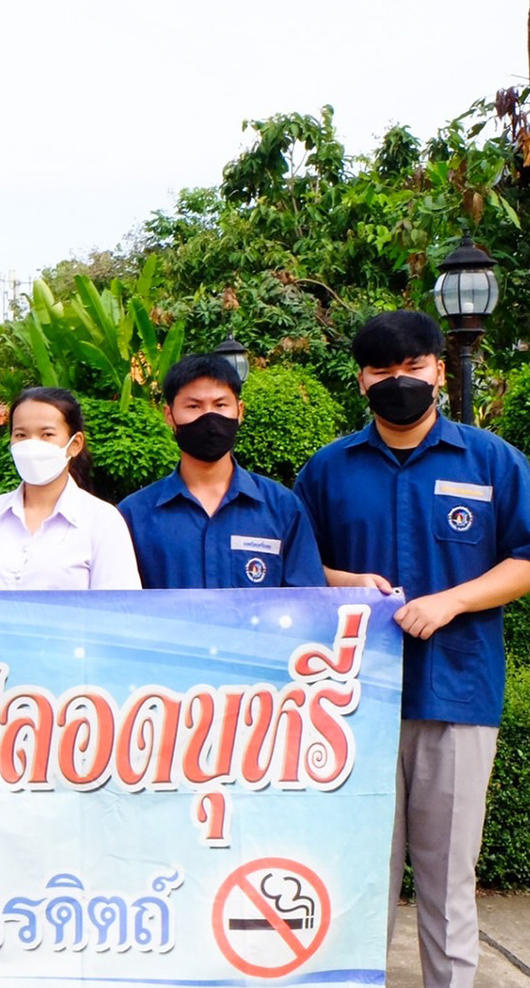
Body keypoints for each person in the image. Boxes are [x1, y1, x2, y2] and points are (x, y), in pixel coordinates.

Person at [294, 310, 530, 988]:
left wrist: (453, 599)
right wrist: (346, 581)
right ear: (361, 380)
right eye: (382, 371)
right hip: (349, 707)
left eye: (413, 368)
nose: (400, 382)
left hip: (454, 696)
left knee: (448, 881)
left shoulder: (491, 462)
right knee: (360, 878)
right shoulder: (329, 470)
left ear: (436, 372)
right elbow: (299, 568)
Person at [118, 354, 326, 589]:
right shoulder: (134, 515)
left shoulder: (282, 507)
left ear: (239, 411)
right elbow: (122, 609)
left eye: (220, 405)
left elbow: (306, 602)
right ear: (169, 415)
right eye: (193, 406)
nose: (209, 417)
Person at [0, 387, 139, 590]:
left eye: (47, 434)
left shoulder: (102, 520)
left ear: (75, 444)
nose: (32, 445)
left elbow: (118, 608)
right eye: (21, 434)